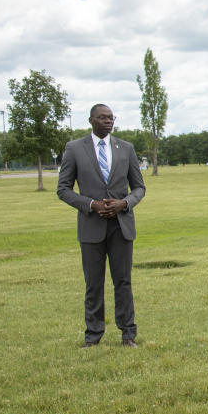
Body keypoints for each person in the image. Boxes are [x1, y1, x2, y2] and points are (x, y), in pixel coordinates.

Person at [57, 104, 146, 348]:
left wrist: (124, 203)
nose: (108, 121)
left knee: (123, 282)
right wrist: (91, 204)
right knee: (94, 284)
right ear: (91, 120)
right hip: (91, 226)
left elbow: (139, 187)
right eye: (103, 118)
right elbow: (63, 189)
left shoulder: (126, 148)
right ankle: (93, 336)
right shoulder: (75, 149)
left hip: (121, 226)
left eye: (111, 118)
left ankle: (128, 335)